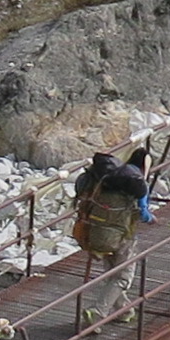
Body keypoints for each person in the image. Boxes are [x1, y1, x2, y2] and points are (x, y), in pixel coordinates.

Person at [71, 137, 152, 325]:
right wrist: (151, 218)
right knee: (122, 278)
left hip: (95, 232)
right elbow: (143, 213)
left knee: (112, 275)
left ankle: (125, 311)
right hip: (122, 237)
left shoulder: (107, 179)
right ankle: (97, 312)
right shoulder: (136, 183)